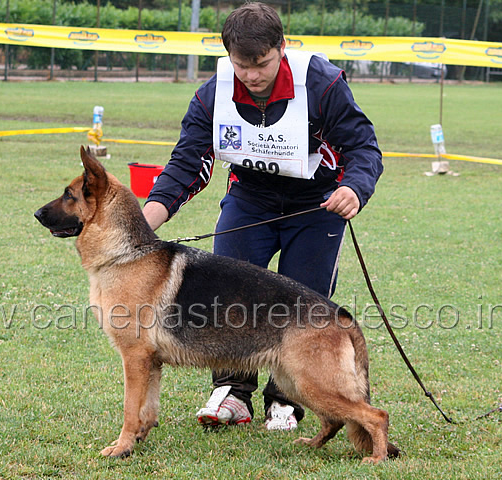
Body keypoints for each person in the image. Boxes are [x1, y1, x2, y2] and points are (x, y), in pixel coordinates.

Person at [142, 2, 382, 431]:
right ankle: (232, 392)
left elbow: (364, 148)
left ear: (282, 48)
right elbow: (186, 163)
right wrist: (145, 223)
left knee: (304, 304)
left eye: (262, 64)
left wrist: (354, 189)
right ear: (228, 56)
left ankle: (284, 400)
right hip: (249, 199)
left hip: (316, 205)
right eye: (241, 65)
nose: (251, 75)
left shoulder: (323, 85)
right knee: (225, 297)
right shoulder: (213, 93)